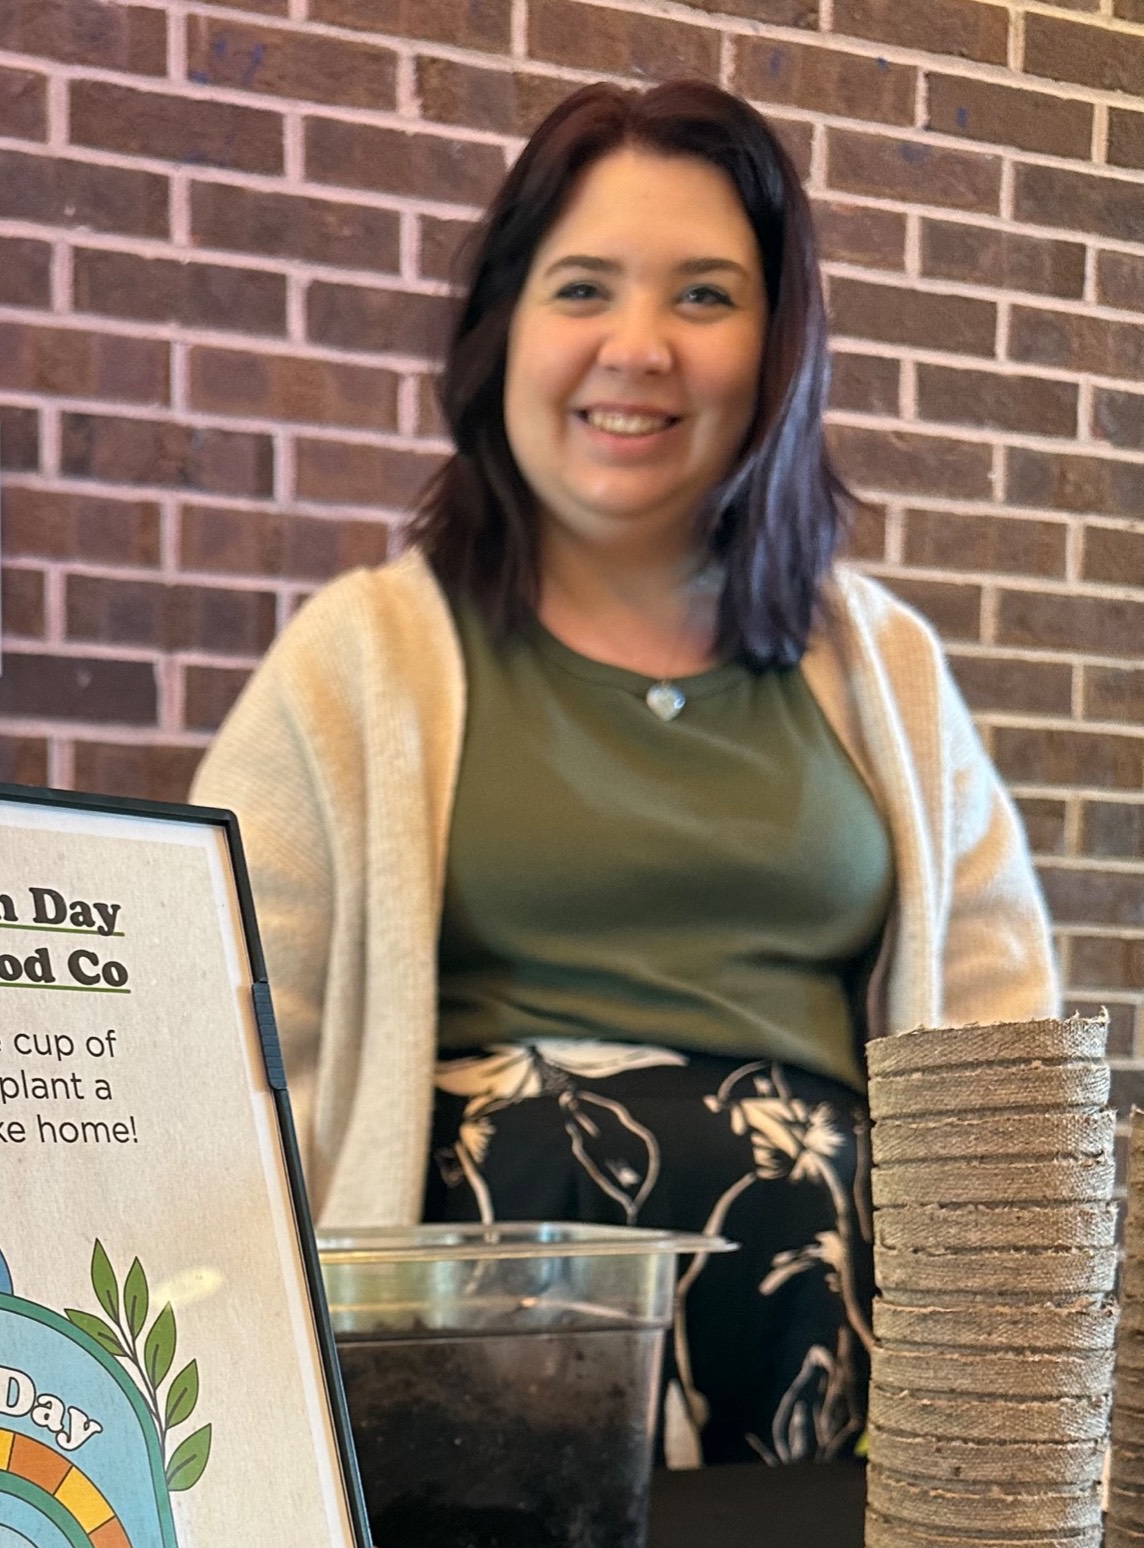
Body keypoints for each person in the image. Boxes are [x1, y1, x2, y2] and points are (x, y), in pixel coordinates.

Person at [194, 81, 1058, 1467]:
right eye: (582, 287)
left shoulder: (883, 670)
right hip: (452, 1409)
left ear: (779, 350)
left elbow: (1004, 1051)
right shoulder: (359, 663)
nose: (638, 347)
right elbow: (208, 1045)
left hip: (836, 1418)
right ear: (503, 332)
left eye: (707, 298)